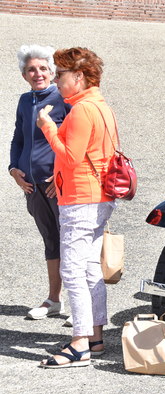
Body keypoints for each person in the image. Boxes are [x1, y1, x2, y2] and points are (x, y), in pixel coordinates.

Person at [36, 47, 117, 368]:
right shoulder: (100, 106)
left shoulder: (83, 110)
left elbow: (70, 157)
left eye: (60, 74)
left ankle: (80, 343)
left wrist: (48, 128)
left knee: (72, 269)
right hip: (97, 198)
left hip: (81, 199)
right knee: (88, 268)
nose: (55, 81)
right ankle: (95, 337)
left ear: (79, 76)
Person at [9, 45, 71, 322]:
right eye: (32, 69)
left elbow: (75, 143)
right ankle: (53, 300)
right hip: (32, 187)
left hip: (59, 185)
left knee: (72, 242)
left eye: (43, 68)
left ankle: (78, 305)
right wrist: (13, 168)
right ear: (24, 75)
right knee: (51, 241)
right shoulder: (25, 101)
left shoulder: (64, 99)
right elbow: (18, 139)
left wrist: (61, 176)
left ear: (52, 72)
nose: (38, 74)